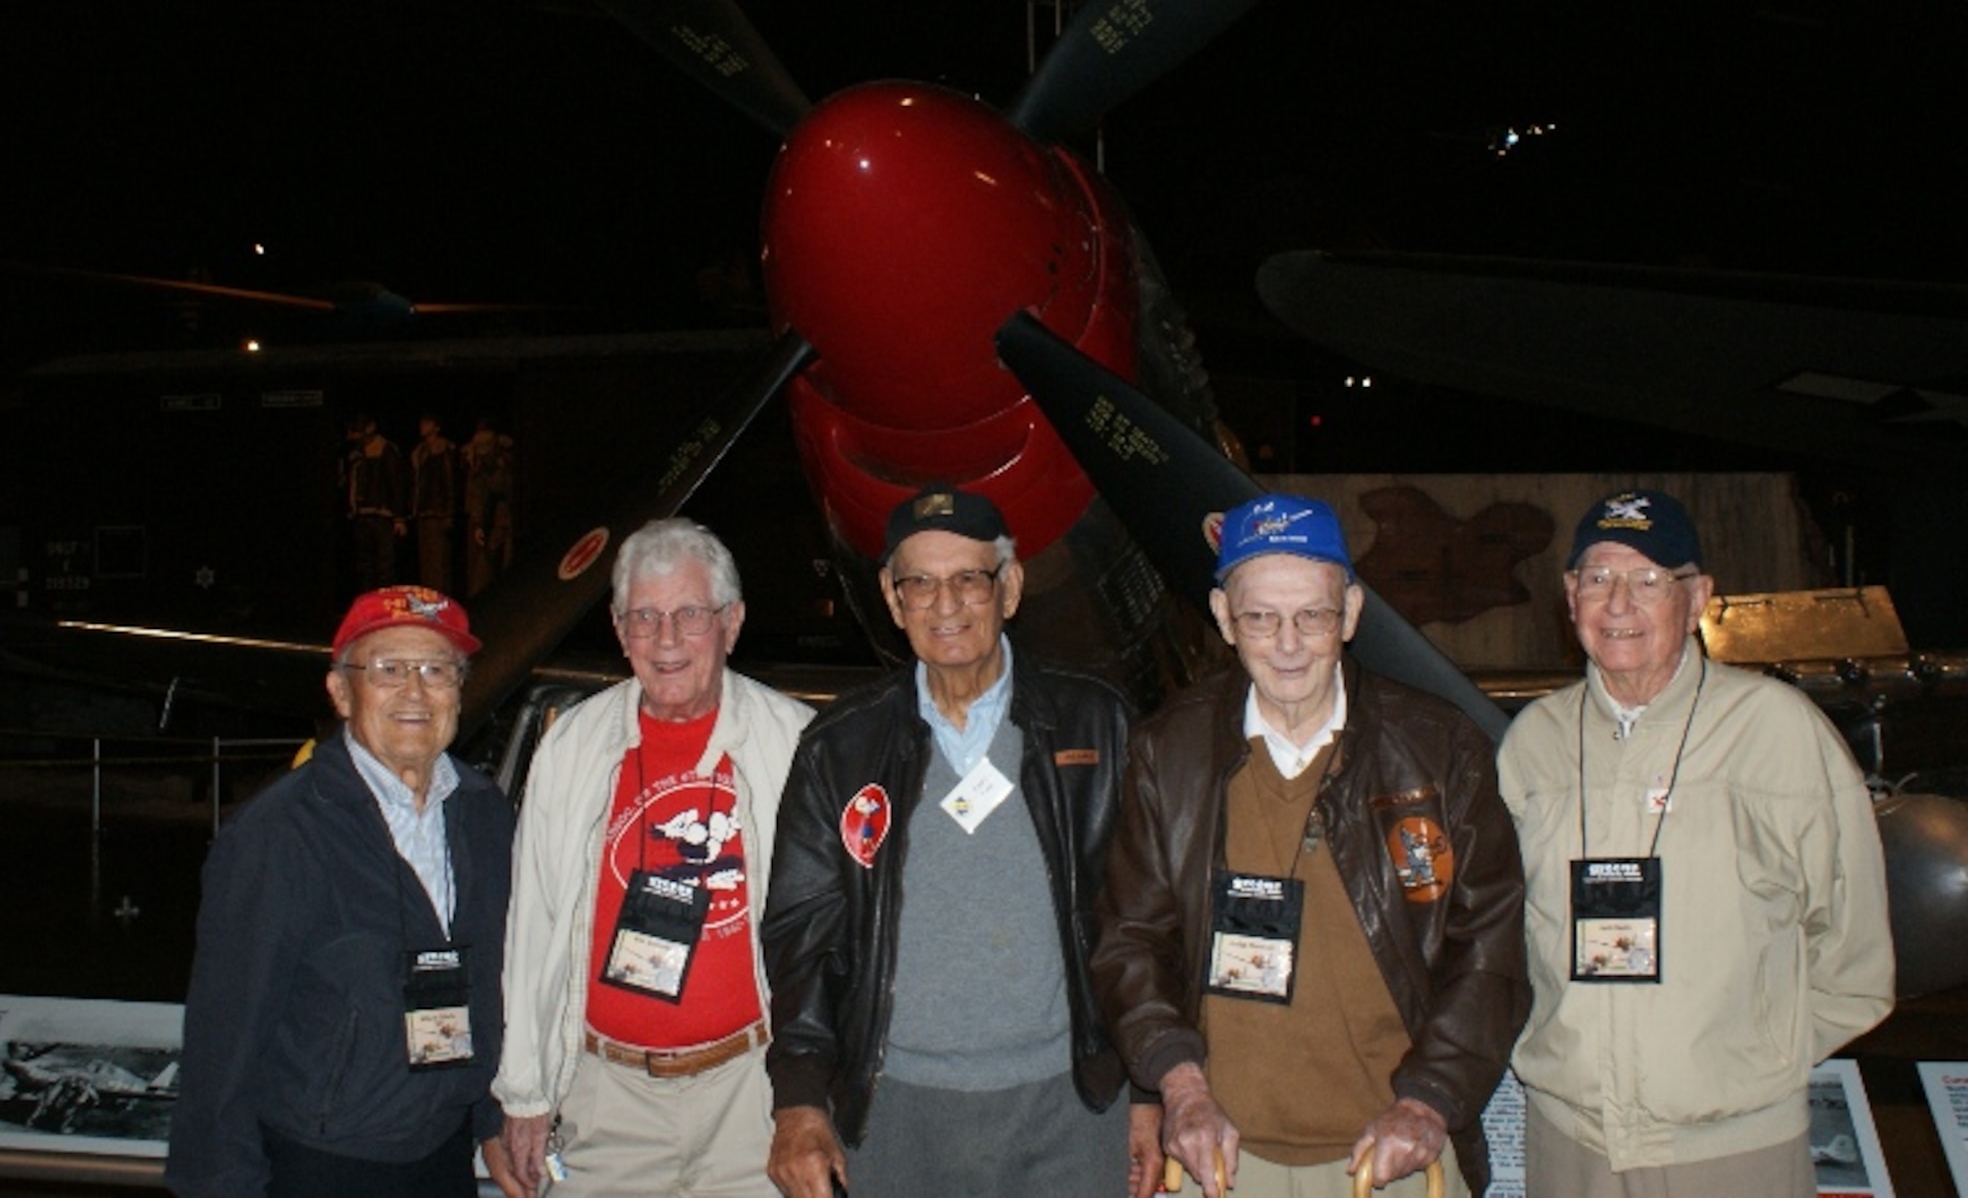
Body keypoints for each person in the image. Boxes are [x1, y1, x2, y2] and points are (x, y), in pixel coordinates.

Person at [1091, 492, 1530, 1198]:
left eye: (1313, 615)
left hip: (1388, 1157)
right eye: (1261, 617)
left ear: (1351, 613)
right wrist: (1179, 1083)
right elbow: (1130, 940)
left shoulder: (1440, 749)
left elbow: (1492, 945)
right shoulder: (1166, 752)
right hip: (1222, 1161)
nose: (1288, 643)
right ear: (1223, 618)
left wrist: (1429, 1099)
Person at [1497, 488, 1895, 1196]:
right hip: (1570, 1146)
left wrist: (1753, 1060)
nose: (1619, 604)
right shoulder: (1534, 744)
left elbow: (1853, 944)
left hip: (1733, 1148)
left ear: (1699, 596)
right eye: (1598, 578)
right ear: (1569, 596)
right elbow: (1504, 934)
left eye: (1650, 580)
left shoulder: (1777, 731)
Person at [762, 485, 1135, 1197]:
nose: (945, 604)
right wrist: (801, 1096)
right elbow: (801, 933)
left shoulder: (1097, 725)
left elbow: (1145, 920)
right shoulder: (840, 746)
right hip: (899, 1108)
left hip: (1071, 1106)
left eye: (969, 578)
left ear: (1011, 587)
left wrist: (1147, 1091)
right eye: (920, 583)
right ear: (891, 598)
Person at [495, 519, 815, 1196]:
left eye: (689, 614)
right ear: (619, 629)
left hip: (753, 1099)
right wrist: (524, 1090)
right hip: (606, 1103)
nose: (666, 640)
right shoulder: (574, 746)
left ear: (732, 622)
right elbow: (532, 924)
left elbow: (832, 931)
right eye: (645, 616)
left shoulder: (796, 742)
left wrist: (815, 1094)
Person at [166, 586, 520, 1198]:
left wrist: (490, 1115)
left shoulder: (485, 814)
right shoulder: (278, 834)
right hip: (321, 1161)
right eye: (388, 670)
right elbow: (223, 1037)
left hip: (441, 1152)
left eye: (437, 670)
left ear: (460, 690)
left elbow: (489, 979)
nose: (415, 691)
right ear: (340, 692)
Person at [344, 414, 408, 591]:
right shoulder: (356, 454)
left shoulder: (386, 450)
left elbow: (397, 484)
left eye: (357, 431)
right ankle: (368, 606)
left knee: (384, 566)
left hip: (382, 516)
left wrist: (399, 517)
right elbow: (353, 484)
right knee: (365, 566)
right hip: (362, 514)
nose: (355, 437)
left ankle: (383, 606)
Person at [461, 418, 515, 598]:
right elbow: (477, 494)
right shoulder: (478, 468)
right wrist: (477, 523)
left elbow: (507, 490)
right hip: (487, 519)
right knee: (481, 566)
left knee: (507, 564)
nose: (483, 457)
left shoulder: (506, 463)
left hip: (506, 517)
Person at [410, 412, 458, 594]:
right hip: (424, 511)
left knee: (439, 563)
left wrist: (448, 512)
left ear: (436, 426)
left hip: (438, 511)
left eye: (427, 422)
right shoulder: (420, 452)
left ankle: (440, 600)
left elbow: (449, 482)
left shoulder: (444, 450)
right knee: (426, 562)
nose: (422, 425)